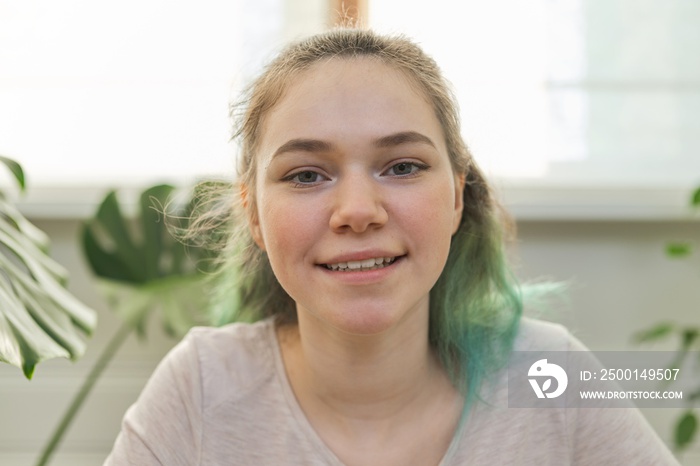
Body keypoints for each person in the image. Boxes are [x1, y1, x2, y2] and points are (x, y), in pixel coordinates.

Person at [105, 28, 678, 465]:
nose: (358, 211)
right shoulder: (200, 387)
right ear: (253, 213)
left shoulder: (554, 372)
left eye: (402, 166)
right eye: (306, 175)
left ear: (456, 197)